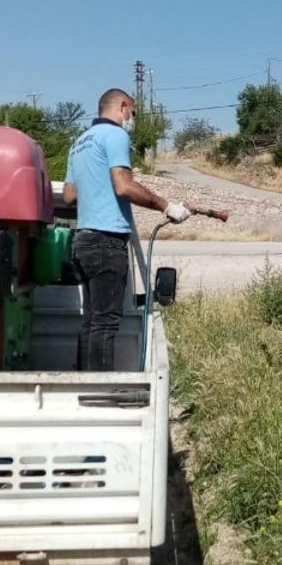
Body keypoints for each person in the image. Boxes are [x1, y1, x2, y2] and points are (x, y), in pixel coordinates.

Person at [62, 88, 190, 370]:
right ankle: (100, 391)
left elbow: (69, 196)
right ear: (122, 106)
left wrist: (95, 187)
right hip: (106, 241)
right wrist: (166, 206)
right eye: (132, 111)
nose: (132, 118)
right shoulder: (115, 135)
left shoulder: (79, 143)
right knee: (105, 324)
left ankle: (85, 384)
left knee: (91, 321)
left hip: (82, 241)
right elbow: (124, 186)